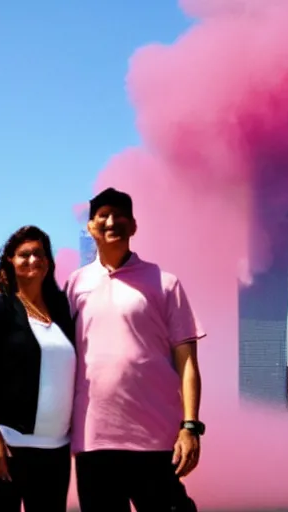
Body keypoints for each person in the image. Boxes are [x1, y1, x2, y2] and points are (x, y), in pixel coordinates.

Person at [64, 188, 206, 512]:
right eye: (103, 216)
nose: (111, 222)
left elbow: (187, 363)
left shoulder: (165, 283)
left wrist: (190, 427)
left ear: (133, 226)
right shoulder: (74, 285)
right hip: (93, 441)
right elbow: (53, 350)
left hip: (155, 440)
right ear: (90, 227)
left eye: (120, 216)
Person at [0, 225, 76, 512]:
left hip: (52, 452)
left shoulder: (60, 309)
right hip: (0, 446)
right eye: (24, 254)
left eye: (39, 254)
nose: (33, 260)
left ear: (49, 262)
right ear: (10, 259)